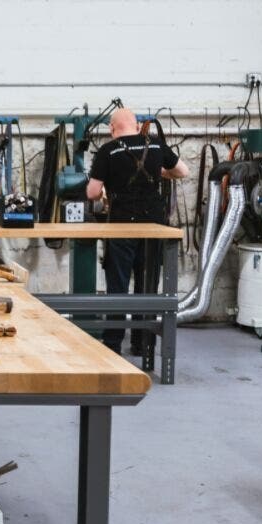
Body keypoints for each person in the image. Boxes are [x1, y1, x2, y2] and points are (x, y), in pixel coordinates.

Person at [86, 108, 190, 355]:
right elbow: (183, 171)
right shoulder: (155, 145)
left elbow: (92, 193)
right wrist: (161, 172)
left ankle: (112, 345)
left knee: (118, 287)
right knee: (148, 285)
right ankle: (143, 344)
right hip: (153, 227)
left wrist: (105, 188)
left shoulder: (107, 151)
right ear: (136, 125)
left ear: (112, 129)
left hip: (121, 225)